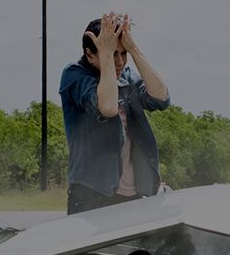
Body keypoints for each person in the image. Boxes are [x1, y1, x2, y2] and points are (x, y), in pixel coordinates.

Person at [60, 12, 171, 214]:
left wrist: (133, 49)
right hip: (92, 194)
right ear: (90, 54)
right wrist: (105, 52)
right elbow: (108, 107)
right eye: (112, 54)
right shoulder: (74, 75)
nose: (120, 62)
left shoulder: (127, 77)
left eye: (122, 54)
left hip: (135, 193)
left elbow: (161, 98)